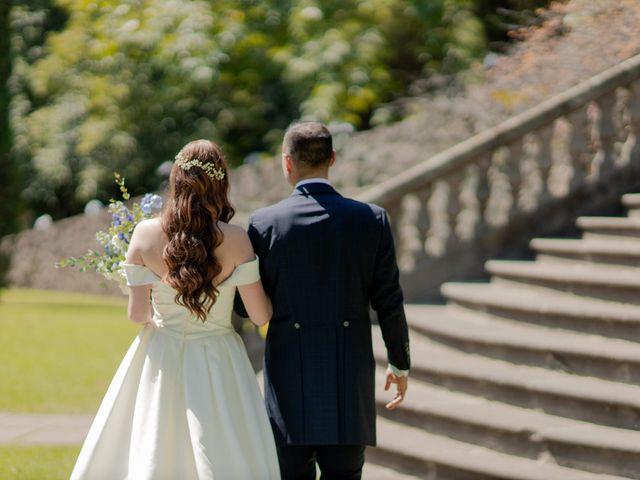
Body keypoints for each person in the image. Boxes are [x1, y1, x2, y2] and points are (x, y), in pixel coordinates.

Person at [70, 140, 280, 479]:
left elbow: (137, 315)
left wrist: (159, 309)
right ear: (220, 183)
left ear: (176, 179)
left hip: (162, 352)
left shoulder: (144, 233)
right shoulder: (238, 239)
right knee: (221, 447)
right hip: (218, 354)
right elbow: (260, 316)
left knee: (155, 445)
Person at [239, 122, 411, 479]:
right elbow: (389, 301)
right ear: (332, 158)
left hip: (288, 381)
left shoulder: (264, 224)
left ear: (287, 163)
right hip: (348, 378)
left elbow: (245, 307)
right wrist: (400, 363)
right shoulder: (372, 220)